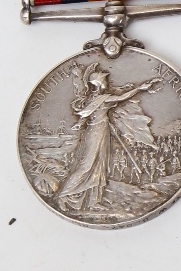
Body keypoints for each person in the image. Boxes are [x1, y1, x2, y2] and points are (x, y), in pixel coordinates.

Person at [55, 65, 160, 214]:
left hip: (102, 130)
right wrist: (139, 88)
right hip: (96, 131)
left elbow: (91, 112)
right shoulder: (101, 99)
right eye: (104, 80)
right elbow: (121, 98)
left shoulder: (96, 98)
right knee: (86, 165)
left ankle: (94, 201)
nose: (106, 82)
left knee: (100, 165)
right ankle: (63, 195)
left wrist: (82, 123)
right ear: (99, 83)